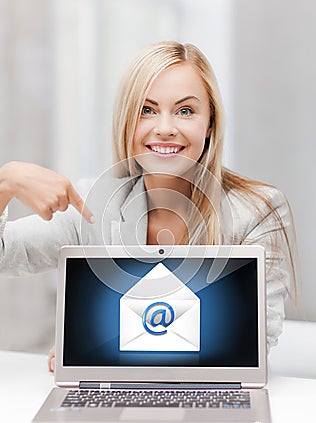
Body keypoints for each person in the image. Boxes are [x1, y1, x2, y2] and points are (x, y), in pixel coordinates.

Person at [0, 41, 298, 372]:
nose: (165, 128)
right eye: (147, 109)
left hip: (207, 403)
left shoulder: (258, 211)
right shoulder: (91, 206)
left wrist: (98, 347)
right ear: (127, 122)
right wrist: (5, 184)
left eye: (185, 111)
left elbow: (255, 345)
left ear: (210, 123)